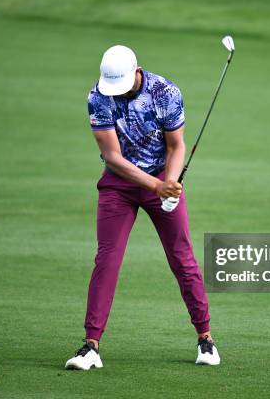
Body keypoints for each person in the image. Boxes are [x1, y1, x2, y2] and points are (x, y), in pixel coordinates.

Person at [65, 45, 220, 370]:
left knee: (182, 259)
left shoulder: (165, 92)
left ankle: (206, 340)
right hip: (120, 185)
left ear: (137, 71)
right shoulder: (98, 97)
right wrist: (156, 186)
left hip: (161, 177)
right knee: (107, 258)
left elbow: (176, 145)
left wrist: (171, 183)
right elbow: (113, 158)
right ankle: (90, 346)